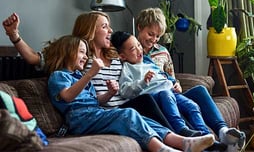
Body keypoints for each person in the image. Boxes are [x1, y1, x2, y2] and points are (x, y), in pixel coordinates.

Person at [43, 34, 215, 152]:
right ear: (66, 52)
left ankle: (183, 142)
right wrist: (89, 75)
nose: (85, 57)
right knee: (128, 114)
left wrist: (109, 93)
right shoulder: (59, 76)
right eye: (81, 52)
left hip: (95, 113)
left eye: (85, 53)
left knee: (145, 119)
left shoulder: (79, 76)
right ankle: (161, 149)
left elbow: (96, 100)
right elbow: (67, 96)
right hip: (79, 119)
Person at [2, 12, 172, 129]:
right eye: (105, 26)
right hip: (106, 110)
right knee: (149, 101)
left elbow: (142, 64)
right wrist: (14, 35)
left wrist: (169, 80)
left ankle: (183, 136)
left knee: (161, 97)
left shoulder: (115, 54)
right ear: (91, 30)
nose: (111, 31)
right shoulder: (79, 58)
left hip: (127, 102)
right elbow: (34, 58)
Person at [135, 7, 246, 150]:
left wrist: (177, 85)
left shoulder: (163, 51)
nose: (153, 39)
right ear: (139, 27)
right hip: (156, 98)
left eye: (157, 36)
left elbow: (171, 77)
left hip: (171, 92)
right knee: (173, 102)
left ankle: (223, 131)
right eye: (150, 34)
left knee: (199, 90)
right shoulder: (130, 51)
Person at [111, 31, 211, 137]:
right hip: (155, 96)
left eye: (139, 45)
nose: (139, 50)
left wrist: (174, 83)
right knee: (166, 94)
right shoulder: (127, 68)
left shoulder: (148, 62)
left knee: (192, 106)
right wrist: (143, 82)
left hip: (170, 92)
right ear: (122, 56)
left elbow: (165, 76)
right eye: (132, 49)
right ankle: (181, 129)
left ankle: (206, 135)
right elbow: (124, 90)